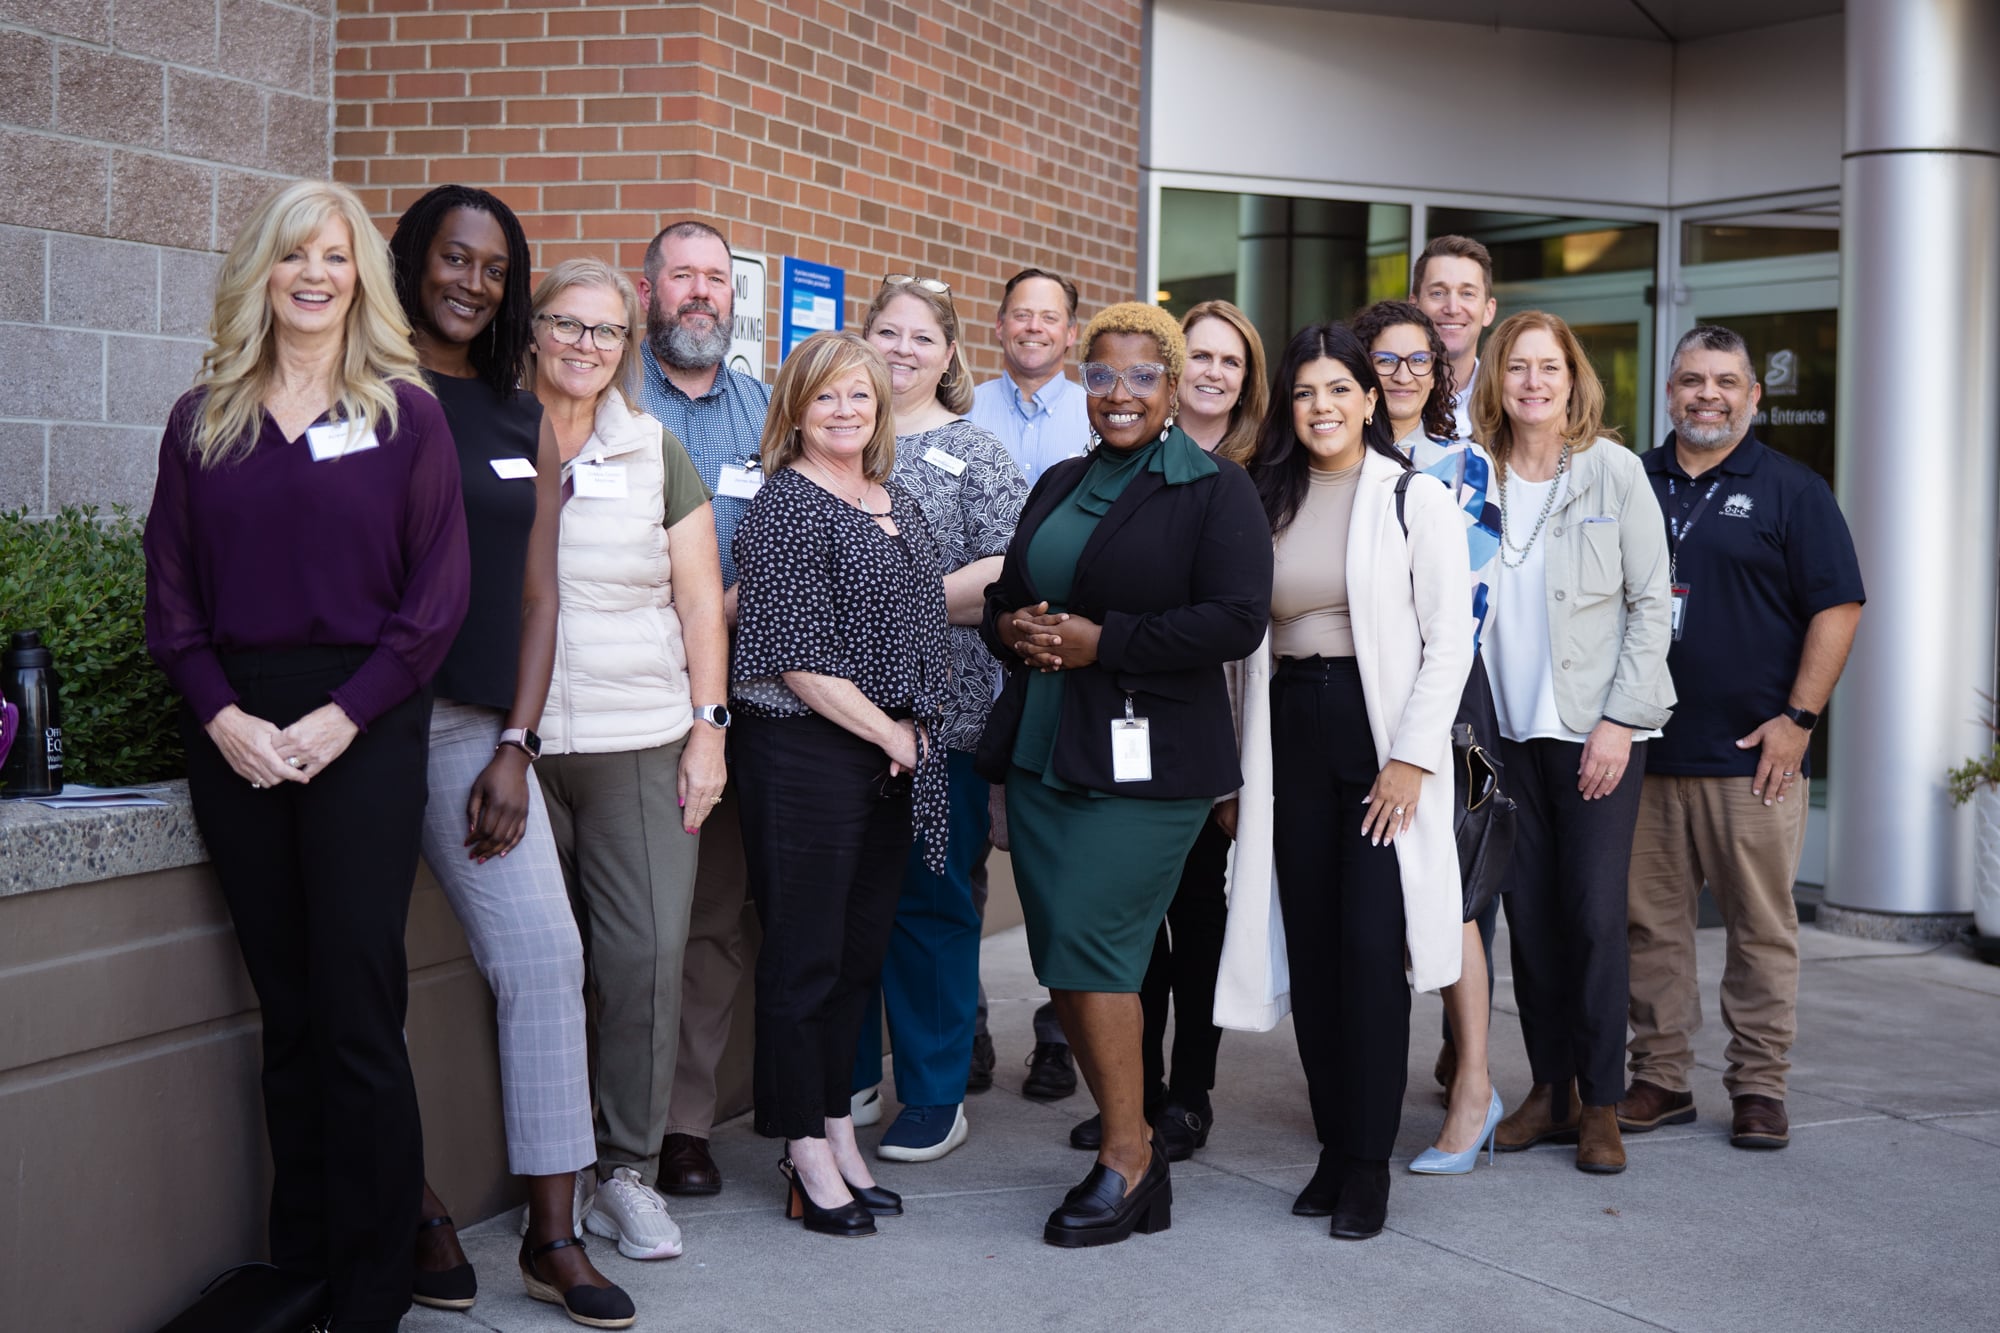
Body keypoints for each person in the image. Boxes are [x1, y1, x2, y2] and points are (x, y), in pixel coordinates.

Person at [144, 178, 470, 1332]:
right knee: (287, 1009)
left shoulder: (404, 414)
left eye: (334, 257)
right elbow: (171, 603)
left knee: (356, 1005)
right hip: (234, 732)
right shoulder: (204, 418)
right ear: (263, 275)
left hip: (363, 729)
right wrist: (225, 718)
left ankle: (375, 1287)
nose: (315, 276)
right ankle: (306, 1269)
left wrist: (343, 716)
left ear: (360, 278)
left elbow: (437, 600)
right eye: (294, 257)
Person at [388, 185, 636, 1329]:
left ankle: (552, 1232)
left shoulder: (511, 411)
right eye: (455, 258)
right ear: (412, 260)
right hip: (352, 727)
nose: (473, 282)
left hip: (469, 732)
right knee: (357, 972)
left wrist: (515, 744)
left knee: (545, 957)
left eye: (495, 268)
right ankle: (413, 1204)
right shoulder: (360, 388)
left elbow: (539, 595)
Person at [981, 302, 1271, 1247]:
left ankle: (1127, 1157)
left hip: (1149, 764)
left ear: (1173, 383)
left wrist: (1105, 642)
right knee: (1061, 951)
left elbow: (1236, 618)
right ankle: (1132, 1142)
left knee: (1100, 948)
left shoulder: (1213, 488)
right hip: (1043, 750)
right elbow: (1009, 591)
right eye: (1101, 374)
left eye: (1143, 376)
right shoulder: (1062, 479)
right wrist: (1011, 628)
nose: (1119, 394)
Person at [1213, 322, 1472, 1240]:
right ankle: (1334, 1146)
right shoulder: (1262, 496)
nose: (1321, 407)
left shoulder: (1415, 498)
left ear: (1372, 398)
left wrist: (1409, 759)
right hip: (1287, 735)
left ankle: (1368, 1161)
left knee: (1370, 950)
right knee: (1316, 952)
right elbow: (1241, 642)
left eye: (1339, 390)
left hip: (1377, 743)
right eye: (1304, 392)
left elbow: (1451, 639)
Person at [527, 260, 732, 1255]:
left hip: (639, 739)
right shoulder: (483, 435)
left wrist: (708, 727)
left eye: (605, 331)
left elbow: (700, 600)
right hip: (506, 744)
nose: (584, 345)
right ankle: (546, 1177)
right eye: (566, 324)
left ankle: (624, 1169)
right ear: (533, 332)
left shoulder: (653, 448)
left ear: (627, 344)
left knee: (643, 955)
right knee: (538, 964)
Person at [729, 330, 952, 1237]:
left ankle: (834, 1124)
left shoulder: (890, 498)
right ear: (796, 408)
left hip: (887, 756)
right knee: (804, 955)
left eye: (860, 395)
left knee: (857, 956)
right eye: (826, 397)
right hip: (807, 755)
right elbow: (792, 658)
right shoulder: (785, 506)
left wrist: (912, 733)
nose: (846, 411)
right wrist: (893, 731)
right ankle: (802, 1148)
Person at [1621, 325, 1864, 1151]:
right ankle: (1659, 1076)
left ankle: (1759, 1085)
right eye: (1692, 379)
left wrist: (1798, 721)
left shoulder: (1793, 491)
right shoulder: (1631, 481)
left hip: (1752, 760)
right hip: (1645, 750)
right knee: (1650, 927)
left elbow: (1838, 607)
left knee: (1761, 926)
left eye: (1726, 381)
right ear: (1669, 391)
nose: (1708, 395)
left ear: (1754, 395)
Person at [1473, 312, 1675, 1175]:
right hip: (1503, 739)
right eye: (1517, 367)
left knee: (1593, 917)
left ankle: (1601, 1102)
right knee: (1531, 921)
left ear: (1572, 376)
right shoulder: (1468, 476)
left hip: (1594, 734)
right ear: (1497, 380)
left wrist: (1620, 723)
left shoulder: (1613, 472)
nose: (1533, 383)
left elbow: (1650, 604)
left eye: (1548, 367)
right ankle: (1549, 1089)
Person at [1068, 299, 1266, 1161]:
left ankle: (1190, 1091)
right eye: (1205, 356)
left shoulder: (1251, 476)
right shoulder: (1117, 465)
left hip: (1209, 735)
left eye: (1233, 360)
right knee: (1131, 923)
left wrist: (1238, 774)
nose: (1216, 373)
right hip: (1119, 726)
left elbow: (1242, 624)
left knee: (1197, 915)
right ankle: (1133, 1095)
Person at [849, 276, 1029, 1162]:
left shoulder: (978, 452)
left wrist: (893, 600)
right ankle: (846, 1074)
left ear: (951, 354)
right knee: (841, 902)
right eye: (889, 331)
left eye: (924, 337)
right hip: (831, 720)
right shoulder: (832, 432)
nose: (905, 349)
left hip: (945, 719)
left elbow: (1008, 573)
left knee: (929, 904)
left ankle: (931, 1092)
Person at [632, 220, 772, 1198]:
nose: (698, 293)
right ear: (648, 291)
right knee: (636, 924)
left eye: (714, 279)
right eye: (680, 275)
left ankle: (683, 1126)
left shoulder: (766, 409)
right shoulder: (605, 396)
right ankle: (616, 1132)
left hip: (740, 704)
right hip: (629, 696)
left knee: (716, 918)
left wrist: (730, 606)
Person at [1351, 299, 1505, 1173]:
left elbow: (1461, 610)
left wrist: (1415, 720)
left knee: (1454, 895)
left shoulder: (1464, 464)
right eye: (1385, 358)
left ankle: (1474, 1087)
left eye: (1419, 360)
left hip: (1442, 699)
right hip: (1347, 693)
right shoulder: (1335, 452)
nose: (1403, 373)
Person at [967, 266, 1092, 1100]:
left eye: (1050, 318)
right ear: (1001, 324)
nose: (1034, 328)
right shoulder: (963, 411)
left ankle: (1059, 1033)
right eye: (1021, 315)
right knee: (962, 856)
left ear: (1070, 332)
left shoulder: (1101, 414)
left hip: (1061, 665)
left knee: (1055, 859)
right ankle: (965, 1026)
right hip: (966, 665)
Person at [1411, 236, 1498, 437]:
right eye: (1438, 293)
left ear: (1488, 310)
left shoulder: (1508, 399)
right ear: (1414, 306)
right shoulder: (1382, 395)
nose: (1452, 308)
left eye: (1467, 293)